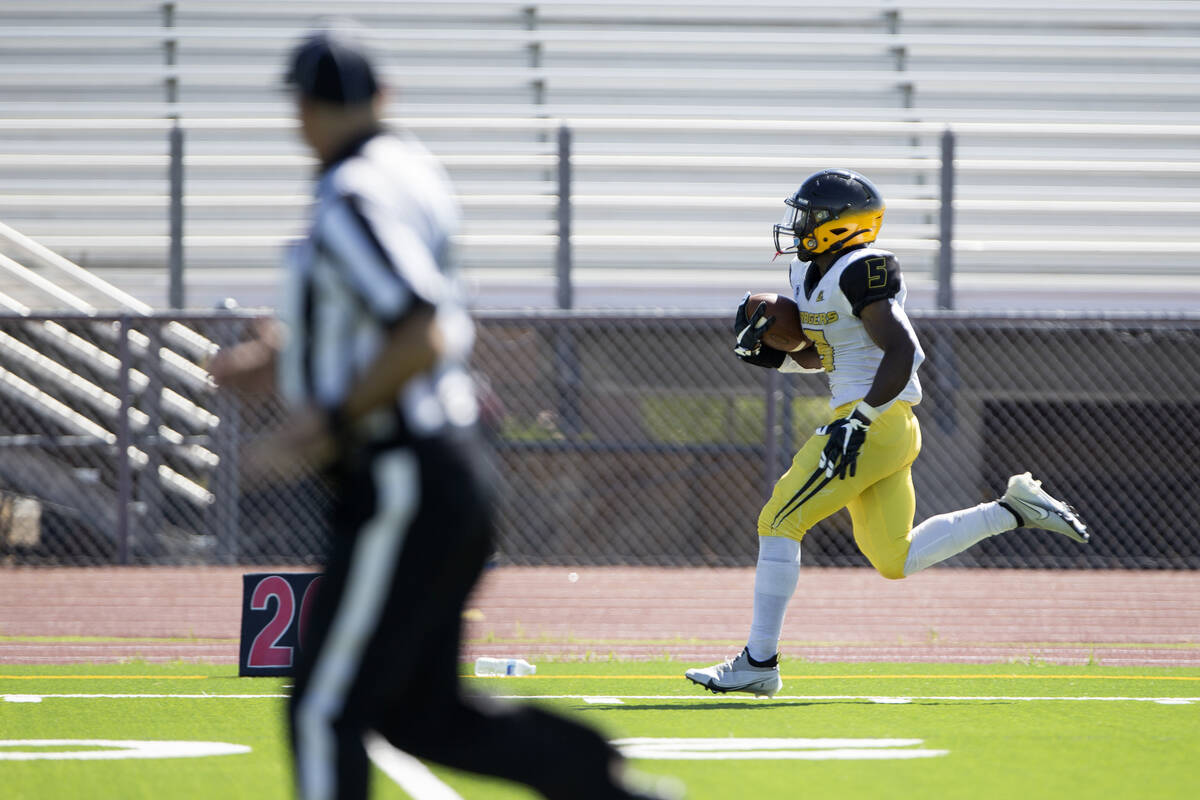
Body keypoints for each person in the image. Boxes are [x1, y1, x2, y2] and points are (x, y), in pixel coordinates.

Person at [213, 27, 678, 800]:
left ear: (302, 112)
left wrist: (324, 419)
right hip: (443, 468)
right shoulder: (409, 172)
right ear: (382, 97)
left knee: (325, 706)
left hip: (402, 472)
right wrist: (287, 357)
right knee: (424, 716)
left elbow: (419, 328)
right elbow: (390, 315)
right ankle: (602, 785)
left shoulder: (351, 195)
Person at [685, 168, 1089, 697]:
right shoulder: (810, 276)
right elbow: (825, 355)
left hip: (872, 420)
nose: (798, 224)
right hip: (885, 424)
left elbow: (906, 351)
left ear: (841, 225)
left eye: (809, 216)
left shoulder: (862, 268)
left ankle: (759, 662)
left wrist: (861, 420)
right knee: (894, 557)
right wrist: (772, 357)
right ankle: (1012, 510)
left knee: (778, 519)